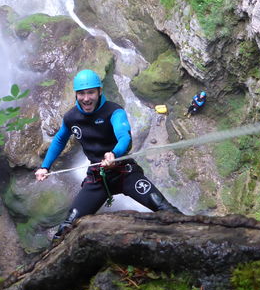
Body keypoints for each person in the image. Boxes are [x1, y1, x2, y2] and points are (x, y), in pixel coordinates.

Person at [35, 69, 181, 240]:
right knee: (67, 227)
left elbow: (124, 136)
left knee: (164, 208)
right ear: (76, 94)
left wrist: (113, 154)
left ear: (100, 91)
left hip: (124, 172)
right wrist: (45, 166)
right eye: (81, 93)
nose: (86, 98)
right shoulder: (71, 117)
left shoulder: (114, 112)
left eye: (91, 92)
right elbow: (59, 140)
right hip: (98, 178)